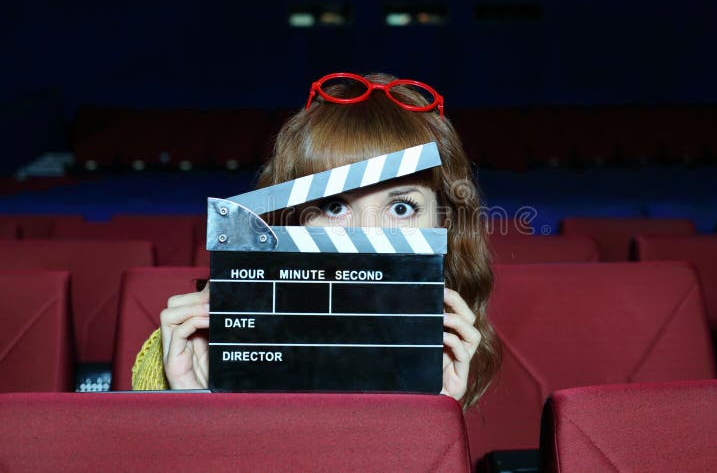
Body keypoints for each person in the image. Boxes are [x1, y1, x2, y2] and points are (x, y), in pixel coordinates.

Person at [132, 72, 499, 409]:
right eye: (334, 206)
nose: (366, 234)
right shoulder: (194, 346)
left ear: (443, 223)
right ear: (289, 219)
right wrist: (195, 403)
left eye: (401, 208)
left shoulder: (449, 350)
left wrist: (432, 412)